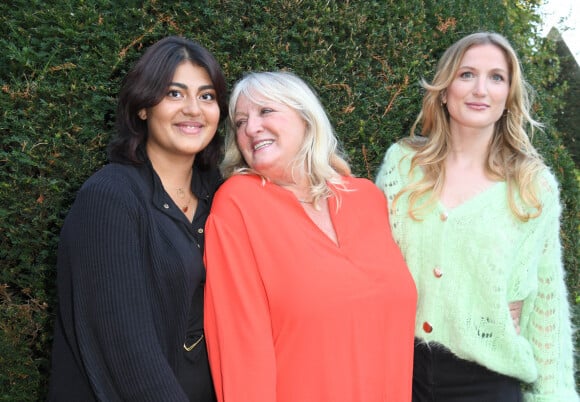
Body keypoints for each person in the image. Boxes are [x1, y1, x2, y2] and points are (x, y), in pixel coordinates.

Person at [376, 32, 579, 401]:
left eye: (496, 77)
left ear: (509, 95)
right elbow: (371, 267)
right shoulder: (401, 165)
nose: (480, 89)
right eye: (467, 74)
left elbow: (546, 301)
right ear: (444, 87)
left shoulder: (533, 187)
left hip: (487, 383)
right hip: (399, 375)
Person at [203, 71, 417, 402]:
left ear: (306, 118)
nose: (251, 128)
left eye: (265, 111)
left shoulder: (366, 198)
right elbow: (239, 346)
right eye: (240, 122)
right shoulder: (238, 203)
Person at [48, 36, 227, 401]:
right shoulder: (110, 198)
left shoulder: (220, 194)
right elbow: (125, 349)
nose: (193, 109)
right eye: (174, 94)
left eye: (206, 96)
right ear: (143, 107)